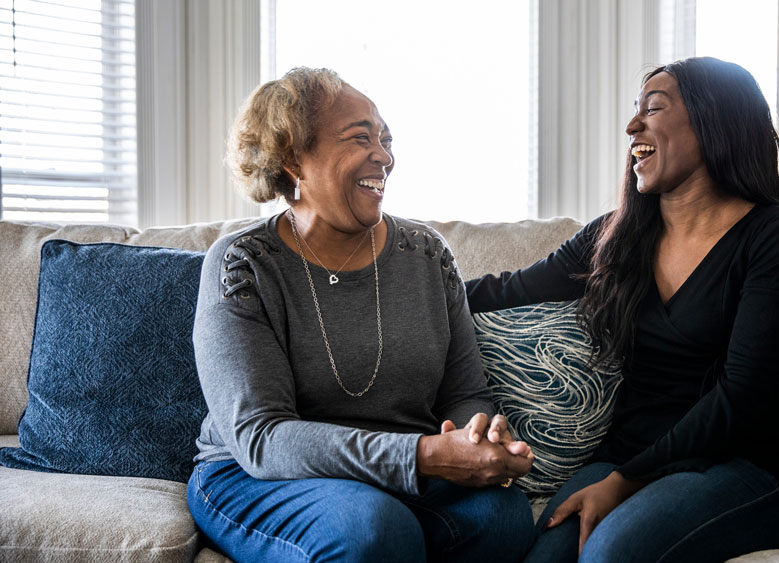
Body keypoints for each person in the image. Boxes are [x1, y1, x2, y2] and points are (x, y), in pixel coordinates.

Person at [465, 57, 779, 562]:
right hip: (623, 455)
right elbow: (506, 290)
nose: (632, 127)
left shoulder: (772, 239)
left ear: (713, 120)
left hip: (739, 465)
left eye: (653, 109)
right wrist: (394, 284)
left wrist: (627, 481)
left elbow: (741, 395)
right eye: (635, 111)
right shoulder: (619, 233)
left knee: (611, 554)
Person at [186, 67, 535, 563]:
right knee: (372, 530)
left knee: (501, 518)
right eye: (360, 138)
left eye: (386, 140)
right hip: (259, 476)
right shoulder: (242, 265)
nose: (385, 156)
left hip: (399, 473)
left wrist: (475, 439)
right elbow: (262, 439)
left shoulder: (427, 255)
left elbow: (465, 393)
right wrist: (422, 456)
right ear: (292, 159)